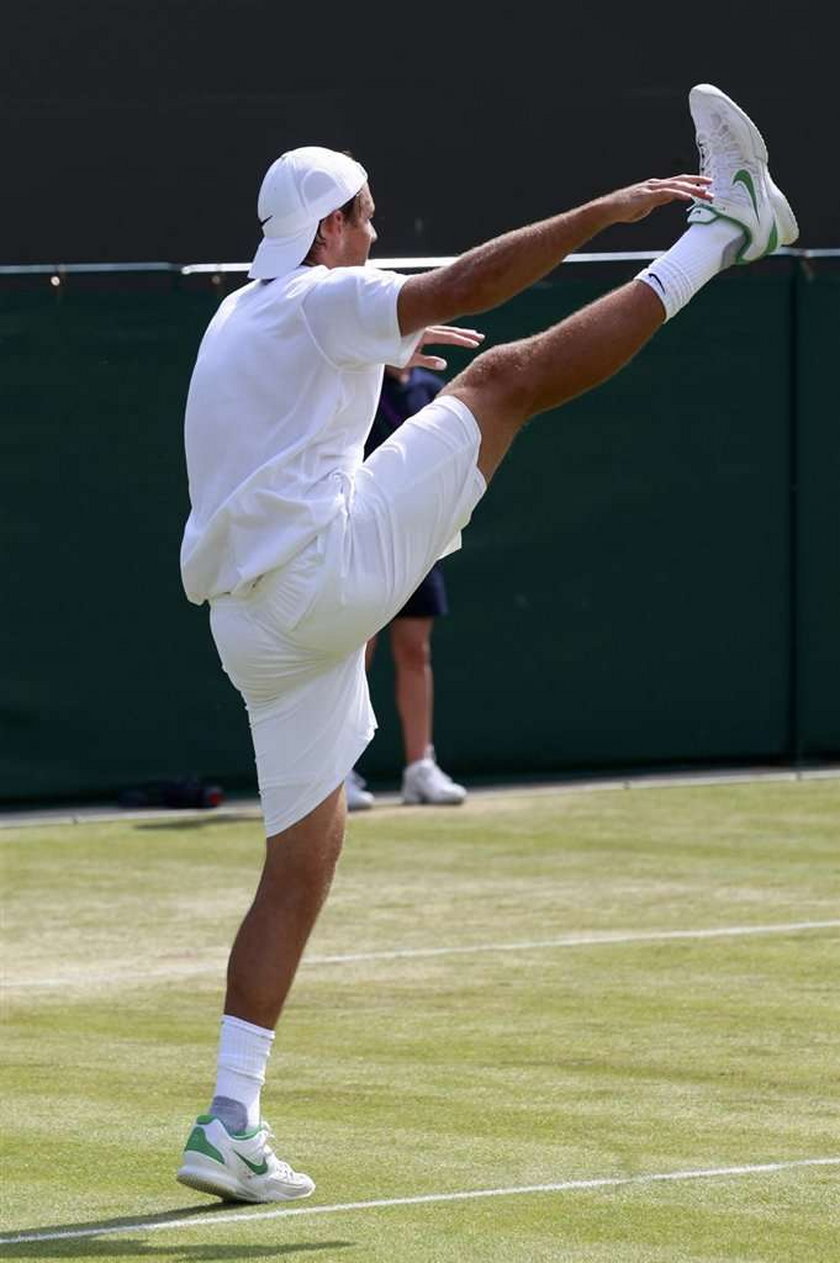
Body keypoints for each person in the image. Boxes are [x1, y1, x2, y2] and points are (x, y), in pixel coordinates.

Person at [176, 83, 797, 1204]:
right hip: (314, 586)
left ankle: (230, 1119)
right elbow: (457, 286)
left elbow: (297, 410)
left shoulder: (242, 314)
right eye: (364, 217)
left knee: (301, 860)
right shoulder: (322, 297)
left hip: (252, 630)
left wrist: (387, 355)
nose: (375, 232)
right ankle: (726, 232)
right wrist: (600, 213)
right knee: (506, 378)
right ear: (328, 228)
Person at [345, 363, 467, 811]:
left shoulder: (433, 391)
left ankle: (420, 769)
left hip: (418, 538)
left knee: (416, 651)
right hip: (359, 537)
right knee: (356, 652)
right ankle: (338, 772)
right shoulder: (357, 385)